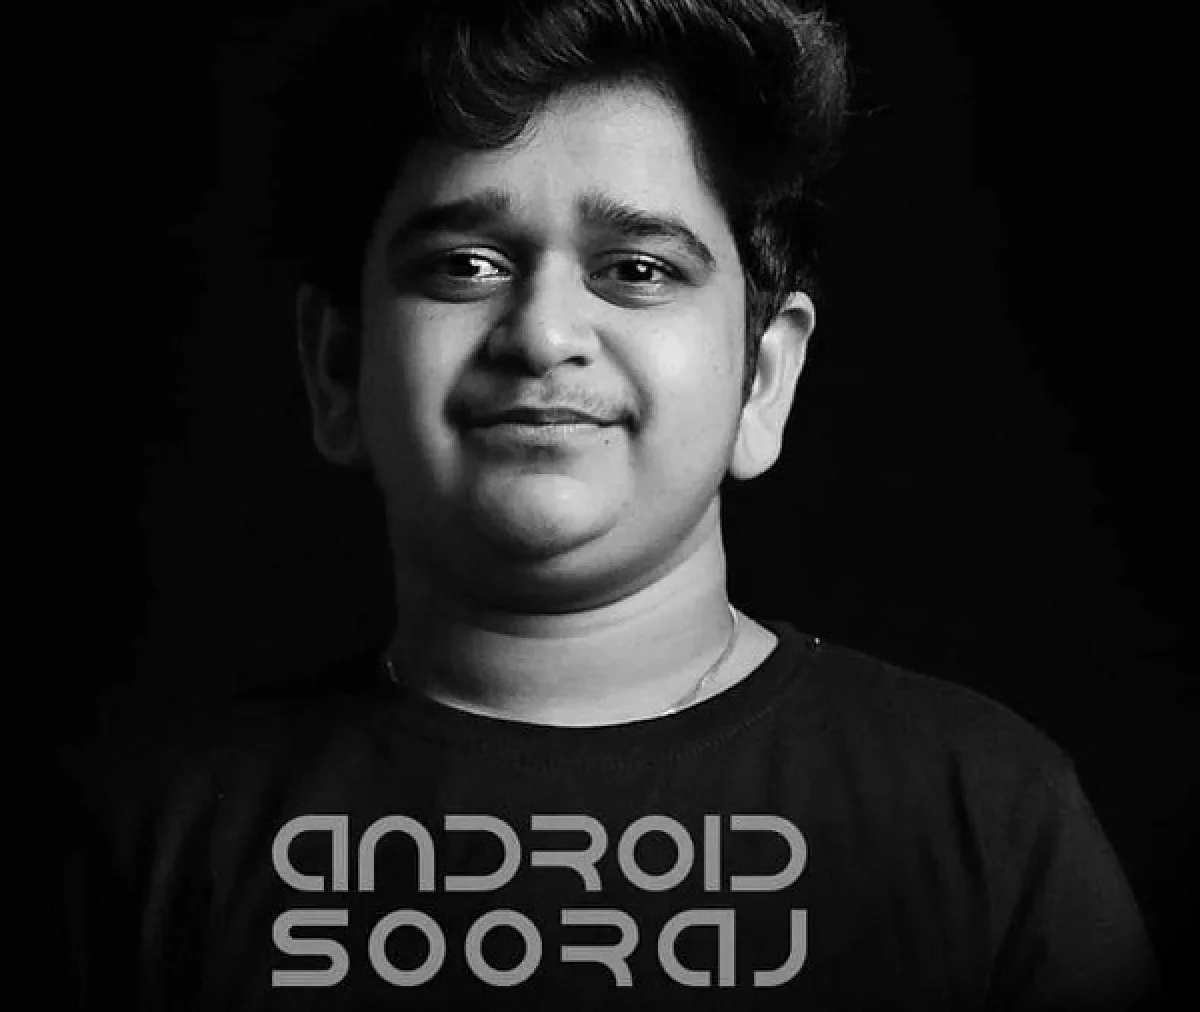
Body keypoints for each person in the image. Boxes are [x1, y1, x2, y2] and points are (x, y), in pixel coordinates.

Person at [61, 0, 1165, 1008]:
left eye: (636, 269)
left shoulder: (983, 817)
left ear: (763, 378)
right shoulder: (160, 844)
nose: (544, 334)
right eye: (465, 265)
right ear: (337, 370)